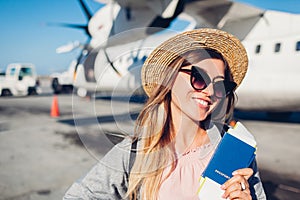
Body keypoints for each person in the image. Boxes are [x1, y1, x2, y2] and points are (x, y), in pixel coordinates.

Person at [63, 28, 266, 200]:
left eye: (220, 85)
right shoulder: (134, 153)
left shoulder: (235, 150)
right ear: (170, 79)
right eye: (200, 77)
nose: (211, 91)